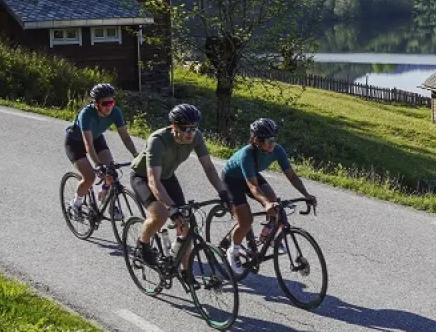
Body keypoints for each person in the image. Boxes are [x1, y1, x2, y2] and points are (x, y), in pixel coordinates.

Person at [129, 103, 232, 272]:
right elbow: (153, 181)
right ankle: (143, 246)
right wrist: (171, 208)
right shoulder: (158, 140)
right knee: (160, 215)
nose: (191, 133)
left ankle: (185, 271)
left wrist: (223, 192)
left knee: (185, 223)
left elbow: (209, 167)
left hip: (167, 176)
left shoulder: (196, 137)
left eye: (194, 128)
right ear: (174, 126)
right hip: (143, 177)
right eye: (186, 129)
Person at [222, 117, 317, 268]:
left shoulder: (277, 150)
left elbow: (291, 175)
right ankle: (233, 250)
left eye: (273, 139)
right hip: (232, 179)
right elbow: (253, 187)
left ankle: (268, 237)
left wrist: (306, 195)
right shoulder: (247, 154)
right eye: (268, 140)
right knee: (246, 222)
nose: (272, 143)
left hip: (251, 175)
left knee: (274, 201)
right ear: (256, 141)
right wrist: (265, 203)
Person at [65, 83, 138, 220]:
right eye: (105, 103)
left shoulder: (116, 112)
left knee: (111, 171)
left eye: (111, 102)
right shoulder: (86, 114)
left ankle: (108, 201)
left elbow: (126, 137)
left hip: (97, 139)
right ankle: (76, 203)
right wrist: (98, 165)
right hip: (75, 141)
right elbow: (88, 143)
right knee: (90, 177)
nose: (109, 106)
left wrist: (136, 155)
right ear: (96, 103)